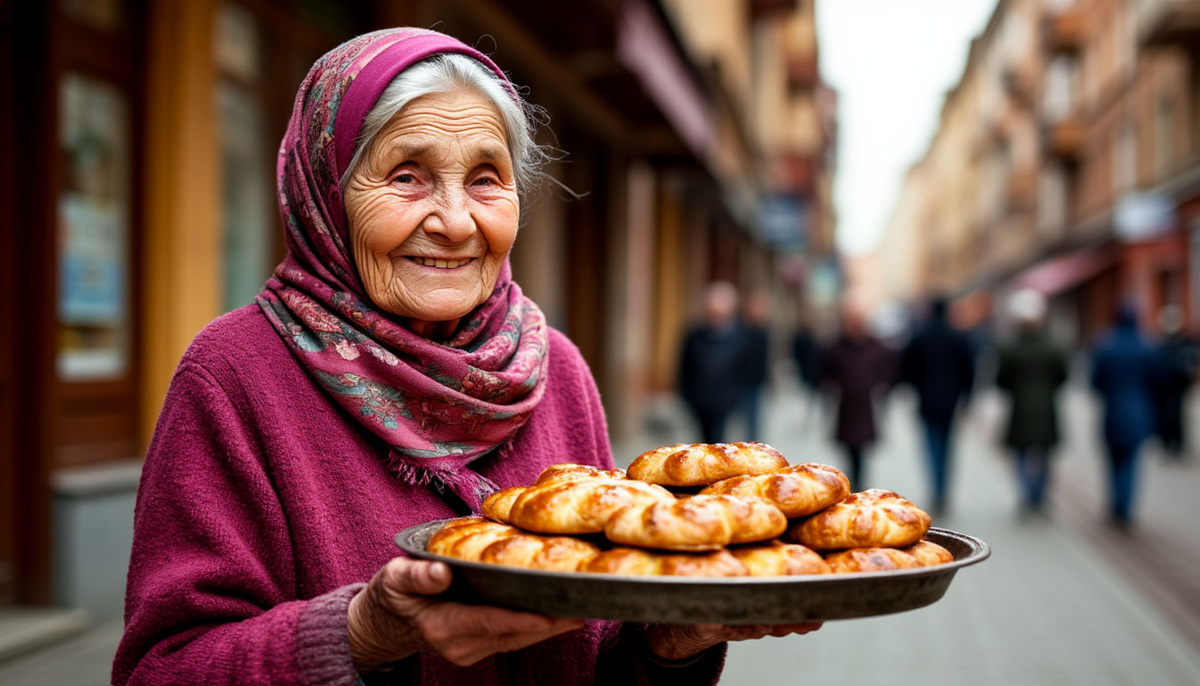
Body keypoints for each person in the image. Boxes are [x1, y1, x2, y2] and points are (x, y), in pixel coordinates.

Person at [112, 29, 818, 685]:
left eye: (485, 178)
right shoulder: (237, 373)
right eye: (406, 176)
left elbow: (599, 644)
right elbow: (163, 668)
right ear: (325, 191)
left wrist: (670, 641)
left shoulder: (554, 368)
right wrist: (364, 631)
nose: (454, 223)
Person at [995, 290, 1067, 518]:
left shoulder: (1010, 349)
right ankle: (1040, 497)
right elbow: (1063, 376)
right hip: (1046, 407)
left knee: (1020, 454)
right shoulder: (1053, 347)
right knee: (1044, 453)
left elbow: (1001, 380)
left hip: (1020, 408)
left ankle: (1027, 495)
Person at [900, 297, 975, 515]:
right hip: (951, 401)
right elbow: (968, 370)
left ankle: (936, 489)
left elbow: (907, 368)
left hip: (927, 400)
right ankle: (943, 490)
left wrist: (914, 387)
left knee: (931, 445)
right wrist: (967, 397)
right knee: (948, 446)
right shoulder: (957, 336)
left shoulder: (920, 336)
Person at [1091, 304, 1160, 526]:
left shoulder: (1106, 345)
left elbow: (1096, 382)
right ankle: (1126, 508)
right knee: (1131, 461)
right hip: (1139, 411)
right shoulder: (1146, 346)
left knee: (1113, 460)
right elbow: (1158, 380)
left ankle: (1116, 504)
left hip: (1112, 411)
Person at [818, 300, 896, 489]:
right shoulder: (835, 347)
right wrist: (832, 388)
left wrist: (881, 387)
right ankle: (853, 481)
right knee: (848, 449)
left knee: (861, 451)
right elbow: (823, 374)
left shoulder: (877, 347)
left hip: (866, 407)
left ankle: (859, 484)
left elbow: (890, 372)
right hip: (845, 407)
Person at [679, 282, 750, 443]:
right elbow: (685, 367)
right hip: (699, 399)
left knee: (718, 440)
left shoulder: (739, 336)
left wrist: (735, 398)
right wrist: (687, 396)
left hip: (724, 400)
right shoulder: (694, 335)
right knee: (702, 439)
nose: (715, 317)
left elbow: (744, 369)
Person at [1155, 305, 1198, 458]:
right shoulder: (1162, 343)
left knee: (1177, 416)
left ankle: (1177, 444)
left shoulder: (1184, 342)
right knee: (1167, 415)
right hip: (1166, 386)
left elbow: (1190, 363)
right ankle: (1168, 443)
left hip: (1178, 386)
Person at [737, 291, 771, 441]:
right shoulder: (739, 329)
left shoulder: (763, 331)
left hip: (755, 381)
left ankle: (751, 445)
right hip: (739, 380)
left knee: (752, 417)